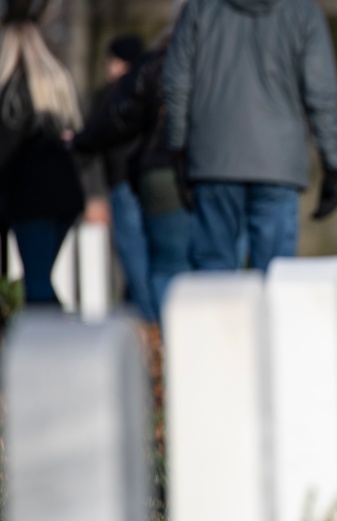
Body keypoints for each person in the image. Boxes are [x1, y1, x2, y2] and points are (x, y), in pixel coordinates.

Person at [162, 0, 337, 272]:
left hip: (214, 158)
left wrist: (178, 148)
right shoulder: (304, 13)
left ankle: (218, 316)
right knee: (275, 273)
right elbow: (321, 95)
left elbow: (176, 83)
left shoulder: (200, 9)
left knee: (213, 270)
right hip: (278, 163)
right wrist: (334, 164)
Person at [72, 9, 193, 323]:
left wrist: (79, 144)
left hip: (142, 180)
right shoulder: (214, 63)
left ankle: (157, 337)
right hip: (200, 174)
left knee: (152, 267)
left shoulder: (135, 81)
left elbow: (106, 132)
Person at [0, 3, 85, 305]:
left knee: (36, 283)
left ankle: (51, 346)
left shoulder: (11, 93)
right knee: (41, 276)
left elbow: (6, 153)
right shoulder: (55, 83)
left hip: (31, 199)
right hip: (65, 196)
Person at [83, 34, 156, 321]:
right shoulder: (155, 87)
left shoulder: (110, 96)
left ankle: (149, 324)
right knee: (153, 260)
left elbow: (90, 143)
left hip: (122, 184)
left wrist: (93, 194)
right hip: (153, 183)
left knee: (133, 260)